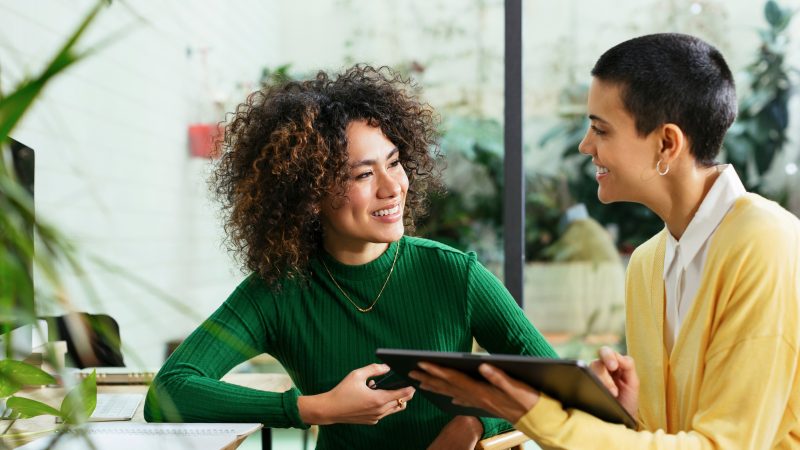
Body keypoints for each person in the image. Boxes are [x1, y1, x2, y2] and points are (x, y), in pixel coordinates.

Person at [411, 33, 800, 448]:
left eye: (601, 129)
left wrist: (531, 410)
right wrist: (626, 418)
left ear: (666, 144)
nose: (585, 145)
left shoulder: (768, 244)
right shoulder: (648, 264)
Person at [143, 65, 557, 449]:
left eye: (393, 163)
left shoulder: (454, 274)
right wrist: (314, 408)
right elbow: (168, 393)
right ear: (309, 196)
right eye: (363, 174)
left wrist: (474, 424)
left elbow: (554, 385)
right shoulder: (279, 291)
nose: (391, 187)